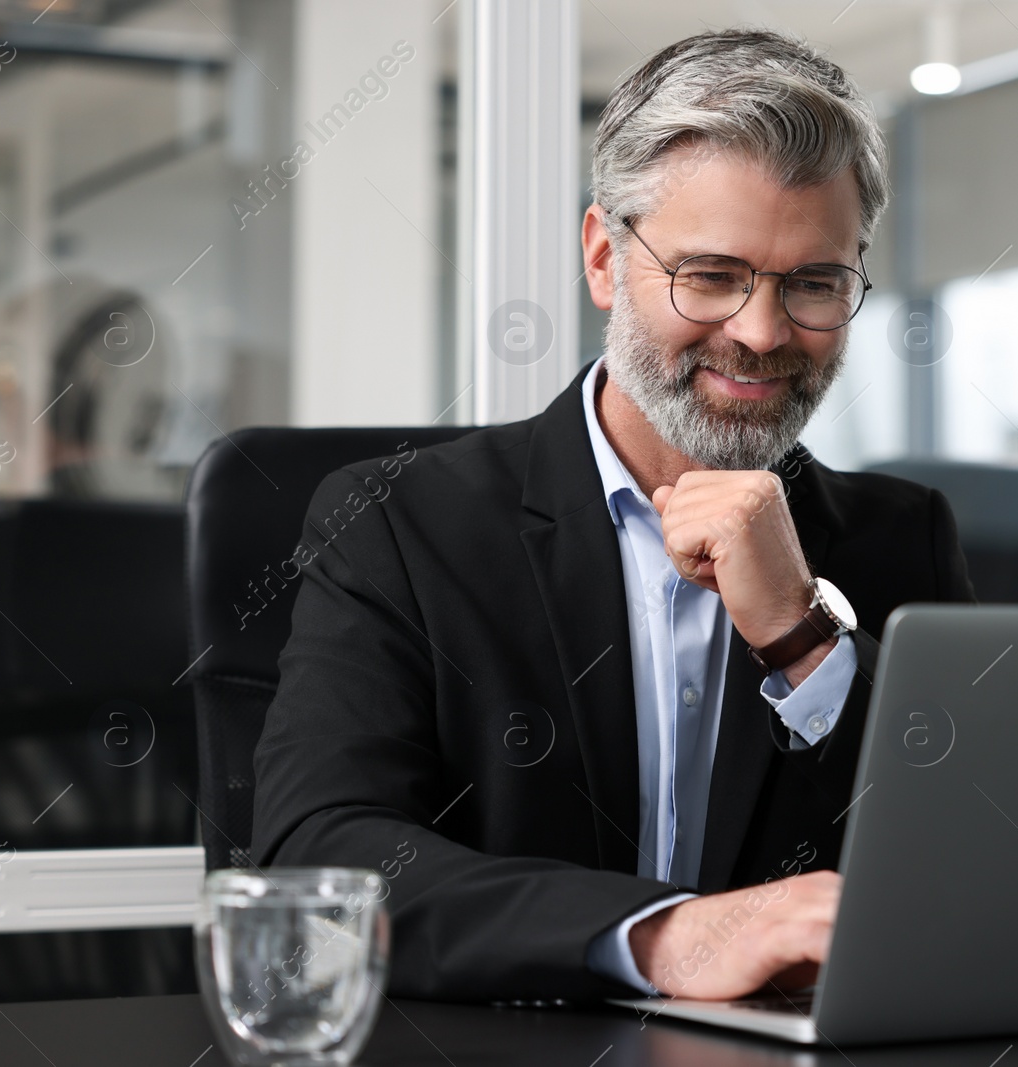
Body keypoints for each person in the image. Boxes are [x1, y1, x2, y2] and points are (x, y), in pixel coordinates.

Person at [251, 27, 975, 1005]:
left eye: (813, 283)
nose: (761, 333)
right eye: (711, 275)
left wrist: (803, 636)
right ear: (603, 257)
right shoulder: (398, 523)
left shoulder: (900, 536)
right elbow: (320, 856)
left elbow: (973, 862)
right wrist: (667, 938)